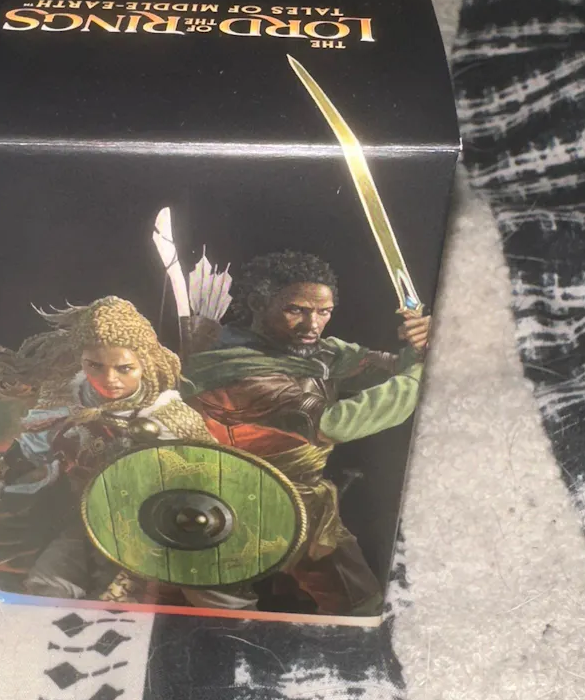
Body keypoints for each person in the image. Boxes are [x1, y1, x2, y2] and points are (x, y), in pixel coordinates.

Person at [182, 250, 430, 616]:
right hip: (232, 511)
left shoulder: (315, 352)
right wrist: (421, 370)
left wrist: (420, 348)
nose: (312, 324)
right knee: (228, 620)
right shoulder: (236, 370)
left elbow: (390, 369)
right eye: (296, 310)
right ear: (257, 304)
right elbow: (335, 423)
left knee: (361, 607)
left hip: (306, 509)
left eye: (323, 312)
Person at [0, 296, 233, 605]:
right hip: (86, 521)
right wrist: (0, 474)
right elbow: (33, 450)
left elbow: (212, 476)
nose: (109, 379)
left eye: (124, 368)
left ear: (145, 363)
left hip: (157, 529)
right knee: (47, 586)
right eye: (95, 366)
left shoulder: (170, 416)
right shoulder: (65, 401)